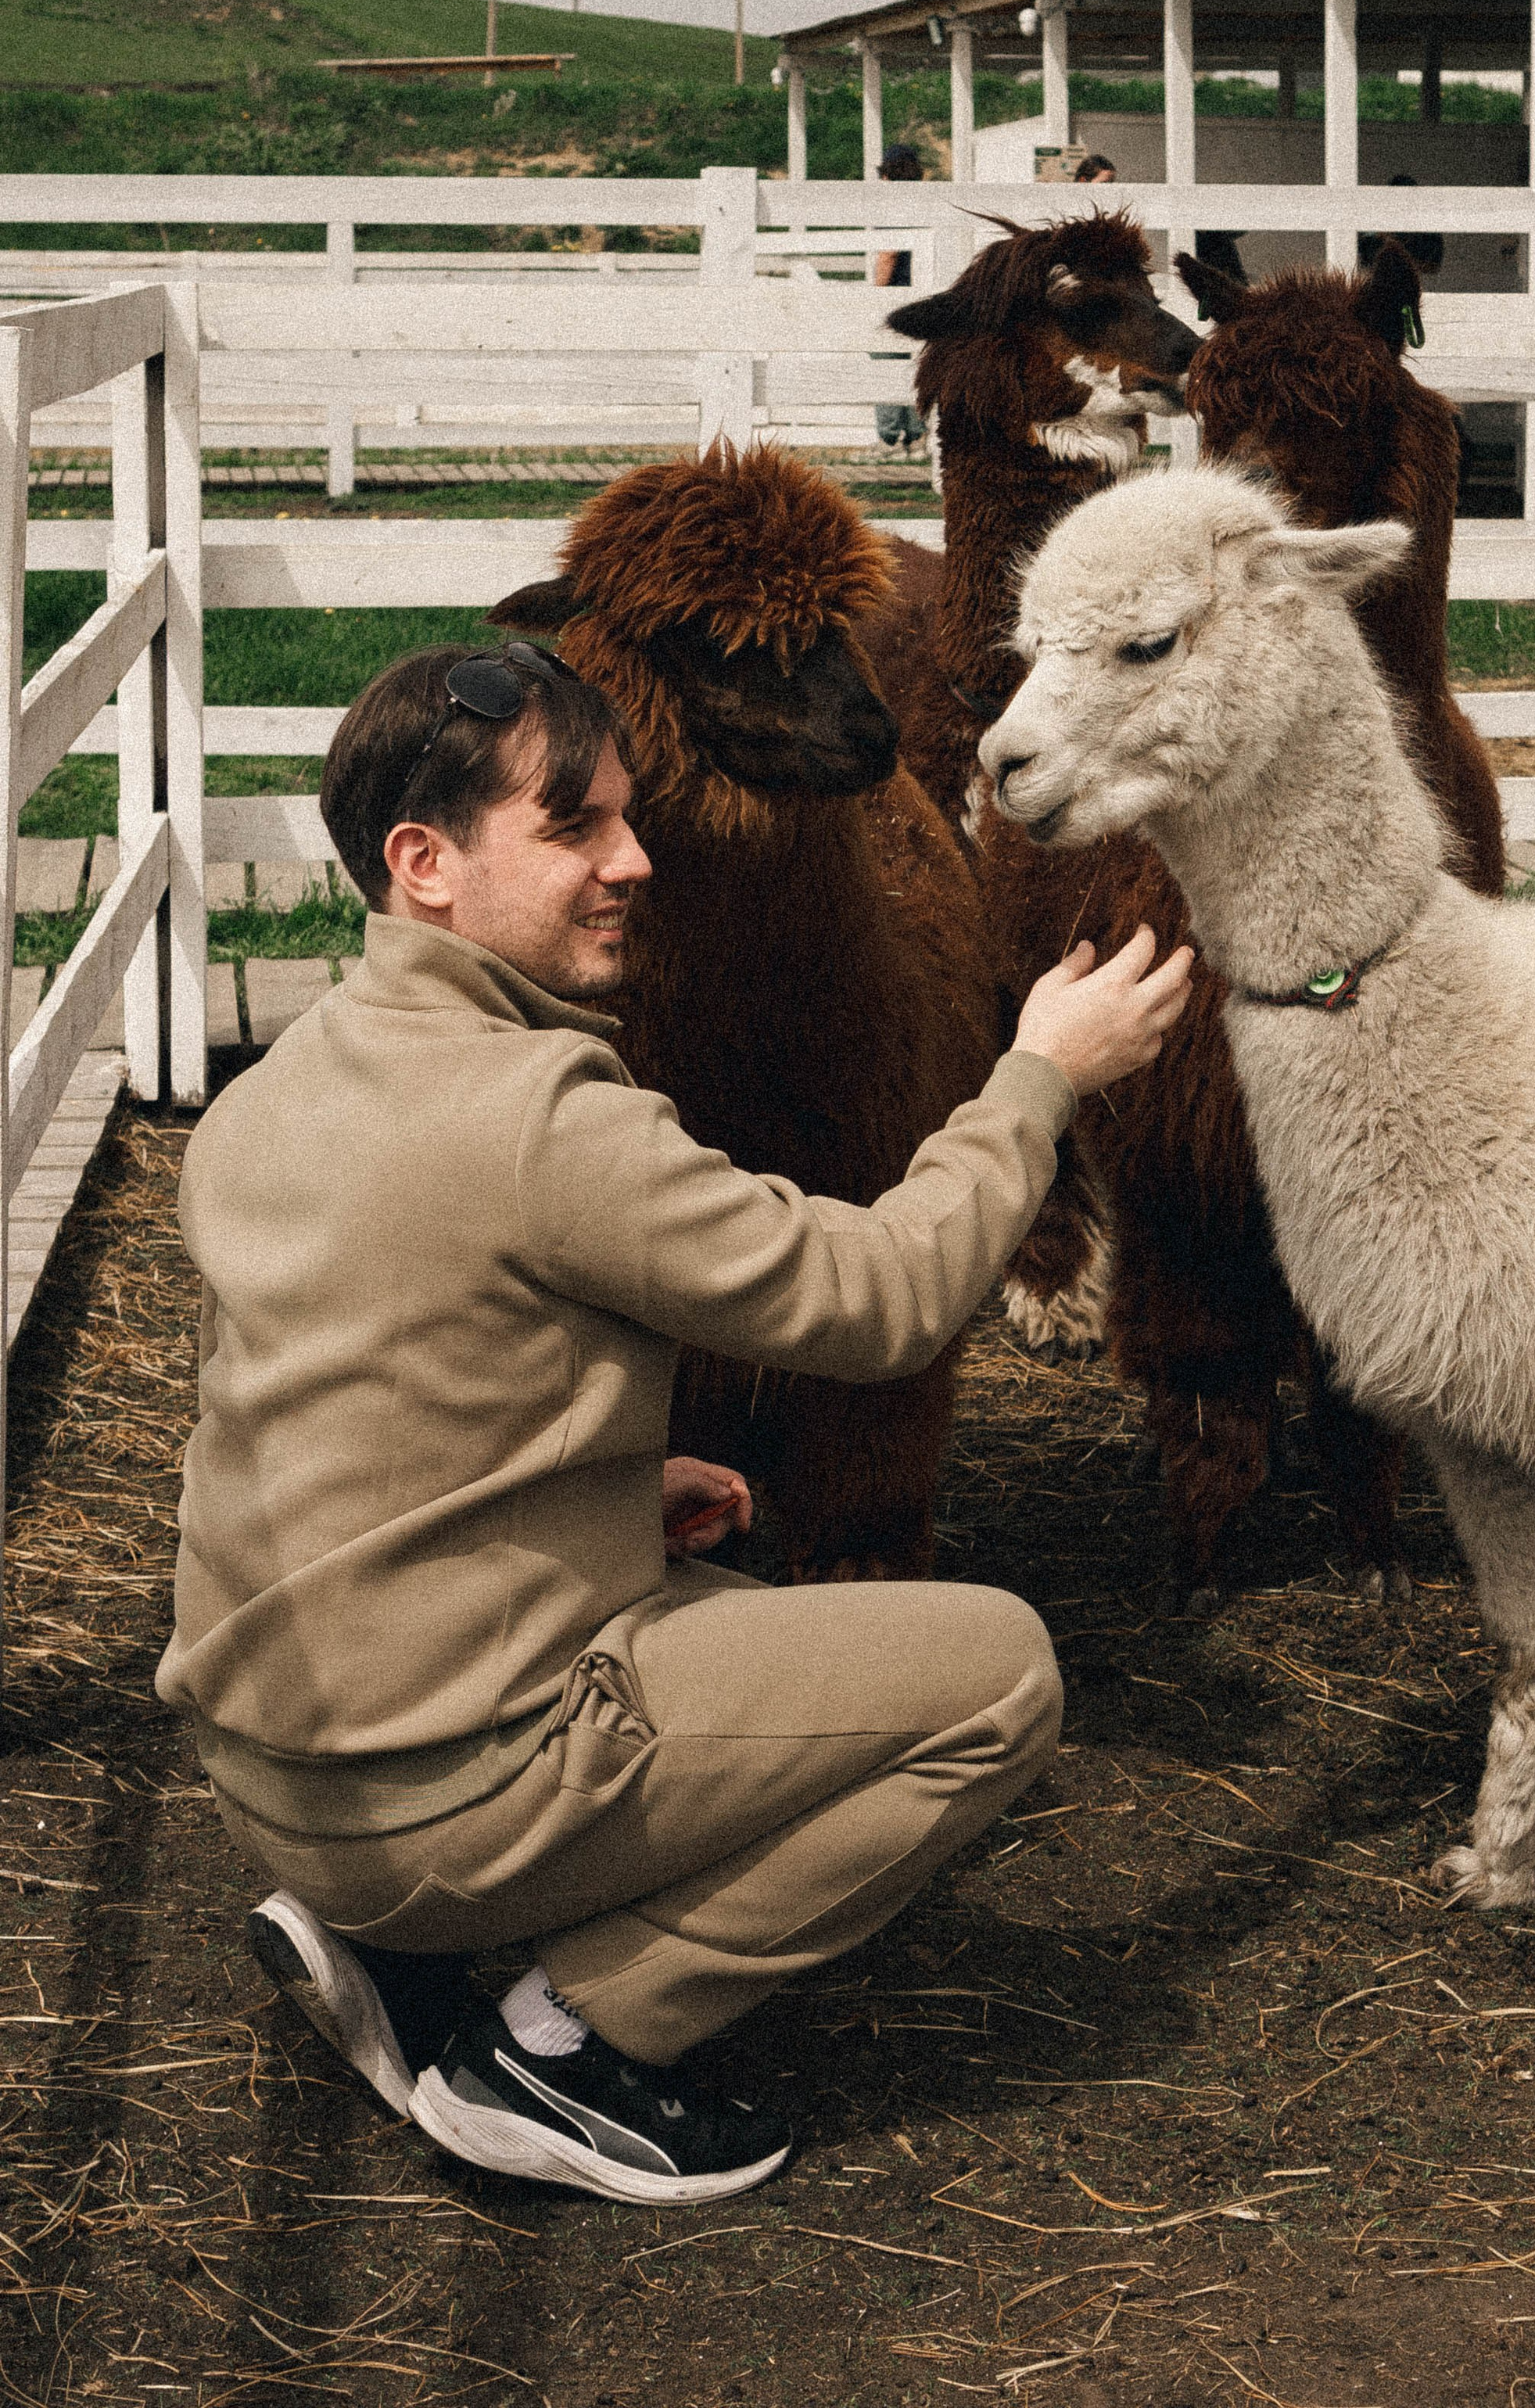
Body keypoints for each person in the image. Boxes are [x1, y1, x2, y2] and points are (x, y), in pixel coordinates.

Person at [157, 642, 1192, 2206]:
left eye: (624, 819)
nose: (631, 860)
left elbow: (358, 1408)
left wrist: (600, 1490)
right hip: (425, 1793)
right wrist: (1035, 1082)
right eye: (570, 825)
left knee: (718, 1596)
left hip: (269, 1771)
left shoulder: (273, 1092)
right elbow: (883, 1297)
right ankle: (557, 2043)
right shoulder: (545, 1120)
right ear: (422, 865)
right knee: (994, 1680)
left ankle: (389, 1934)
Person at [871, 145, 930, 450]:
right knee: (915, 361)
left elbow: (888, 254)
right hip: (921, 289)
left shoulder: (891, 204)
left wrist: (875, 293)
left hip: (894, 292)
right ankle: (917, 433)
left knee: (883, 358)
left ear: (886, 173)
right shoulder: (922, 203)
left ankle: (890, 436)